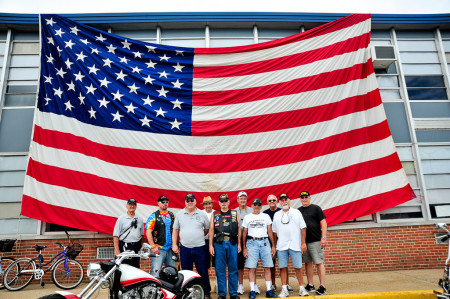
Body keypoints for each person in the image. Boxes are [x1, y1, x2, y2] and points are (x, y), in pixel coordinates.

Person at [172, 193, 212, 299]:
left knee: (203, 271)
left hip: (200, 248)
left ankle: (206, 292)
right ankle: (187, 293)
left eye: (192, 200)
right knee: (186, 272)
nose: (190, 202)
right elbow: (175, 230)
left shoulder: (202, 214)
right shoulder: (180, 214)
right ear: (185, 202)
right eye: (188, 200)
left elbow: (207, 229)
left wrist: (197, 236)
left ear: (195, 202)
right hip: (185, 248)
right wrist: (174, 244)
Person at [272, 194, 309, 297]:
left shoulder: (296, 212)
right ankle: (284, 289)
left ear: (289, 201)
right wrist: (274, 245)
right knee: (282, 267)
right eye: (282, 200)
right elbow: (274, 232)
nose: (284, 202)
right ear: (279, 202)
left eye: (286, 200)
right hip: (281, 246)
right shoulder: (277, 215)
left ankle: (302, 288)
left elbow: (303, 228)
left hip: (295, 245)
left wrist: (303, 243)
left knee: (298, 267)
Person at [242, 198, 277, 299]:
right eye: (255, 204)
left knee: (267, 267)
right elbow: (244, 232)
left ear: (261, 206)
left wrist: (273, 245)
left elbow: (269, 231)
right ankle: (252, 290)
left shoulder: (266, 216)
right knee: (252, 268)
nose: (257, 206)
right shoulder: (247, 217)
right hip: (252, 242)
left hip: (265, 242)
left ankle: (268, 290)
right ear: (252, 205)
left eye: (259, 204)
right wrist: (244, 247)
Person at [209, 194, 241, 299]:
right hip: (219, 244)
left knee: (233, 268)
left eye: (225, 201)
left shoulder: (234, 213)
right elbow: (211, 230)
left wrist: (239, 244)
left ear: (229, 202)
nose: (223, 203)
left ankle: (233, 293)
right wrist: (210, 245)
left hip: (232, 243)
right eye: (221, 201)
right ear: (219, 203)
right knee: (220, 269)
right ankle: (222, 294)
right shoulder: (215, 214)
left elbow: (239, 229)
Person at [298, 191, 327, 296]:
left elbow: (323, 223)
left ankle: (322, 286)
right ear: (300, 199)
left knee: (319, 263)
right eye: (302, 197)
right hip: (304, 242)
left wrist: (323, 237)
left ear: (309, 198)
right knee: (308, 263)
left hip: (316, 241)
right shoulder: (298, 211)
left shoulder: (316, 208)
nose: (304, 199)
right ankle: (310, 284)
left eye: (306, 197)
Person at [145, 195, 177, 277]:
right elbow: (148, 232)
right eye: (163, 202)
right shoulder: (153, 216)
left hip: (170, 249)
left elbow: (176, 230)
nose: (165, 203)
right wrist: (153, 246)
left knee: (172, 272)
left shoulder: (172, 215)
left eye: (167, 202)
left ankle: (169, 290)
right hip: (159, 249)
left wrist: (175, 244)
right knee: (155, 272)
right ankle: (154, 289)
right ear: (158, 203)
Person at [113, 198, 145, 268]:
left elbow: (142, 235)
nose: (132, 206)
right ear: (126, 206)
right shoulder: (121, 218)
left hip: (136, 246)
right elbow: (116, 235)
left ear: (136, 206)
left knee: (135, 267)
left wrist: (141, 247)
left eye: (134, 205)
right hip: (125, 246)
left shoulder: (139, 219)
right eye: (130, 204)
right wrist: (117, 250)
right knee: (124, 267)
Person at [235, 191, 256, 295]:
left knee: (253, 264)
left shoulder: (252, 211)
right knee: (240, 265)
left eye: (244, 198)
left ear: (246, 200)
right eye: (241, 198)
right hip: (238, 241)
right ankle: (240, 285)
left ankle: (254, 285)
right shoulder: (233, 212)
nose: (243, 200)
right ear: (237, 200)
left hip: (251, 240)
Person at [263, 194, 282, 292]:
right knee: (272, 264)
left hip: (282, 240)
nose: (272, 202)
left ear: (277, 201)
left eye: (274, 200)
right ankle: (273, 284)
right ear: (267, 202)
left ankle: (286, 284)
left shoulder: (281, 211)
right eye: (270, 201)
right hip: (270, 242)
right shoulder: (265, 214)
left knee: (284, 264)